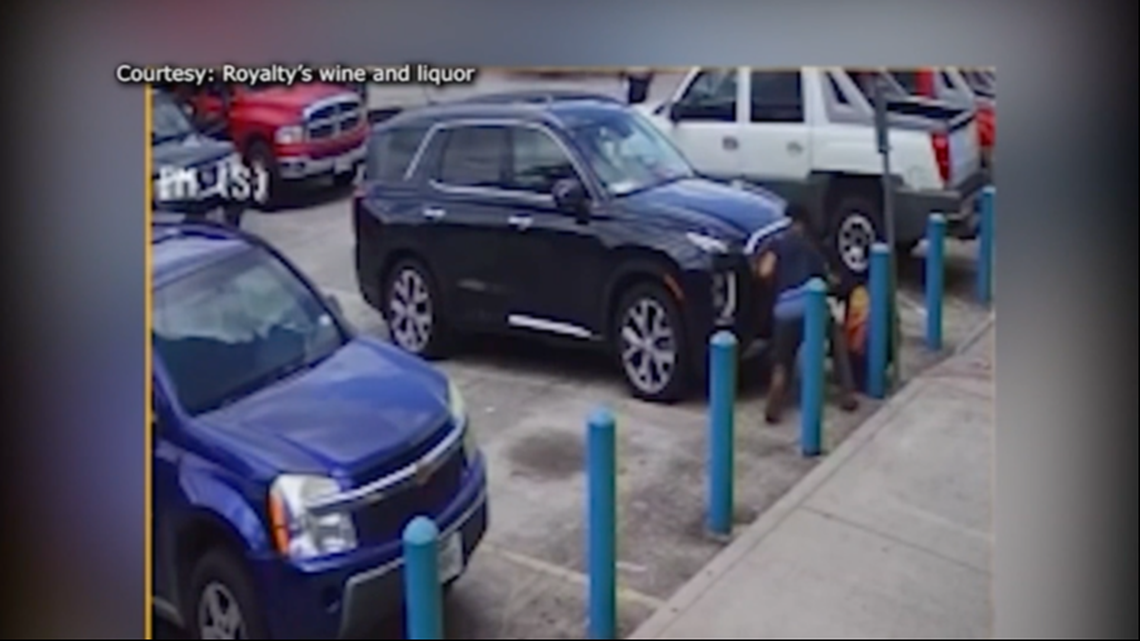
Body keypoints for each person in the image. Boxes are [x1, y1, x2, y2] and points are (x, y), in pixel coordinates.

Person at [755, 204, 860, 424]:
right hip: (812, 307)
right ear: (804, 223)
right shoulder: (813, 247)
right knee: (835, 333)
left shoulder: (778, 243)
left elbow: (765, 271)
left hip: (784, 309)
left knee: (783, 357)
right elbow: (828, 280)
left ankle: (778, 384)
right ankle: (846, 390)